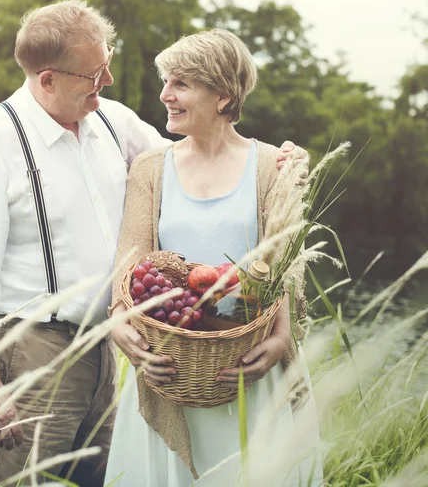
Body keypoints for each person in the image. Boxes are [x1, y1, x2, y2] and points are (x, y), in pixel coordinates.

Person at [0, 0, 305, 487]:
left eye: (106, 63)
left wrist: (281, 162)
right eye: (94, 73)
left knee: (112, 475)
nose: (106, 81)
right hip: (33, 349)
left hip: (114, 350)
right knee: (20, 480)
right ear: (48, 79)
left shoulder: (114, 121)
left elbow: (196, 159)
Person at [106, 29, 323, 486]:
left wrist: (280, 338)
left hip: (248, 371)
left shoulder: (272, 166)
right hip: (167, 370)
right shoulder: (151, 167)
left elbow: (283, 267)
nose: (165, 94)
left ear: (224, 96)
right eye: (166, 81)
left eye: (181, 84)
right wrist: (120, 320)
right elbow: (131, 260)